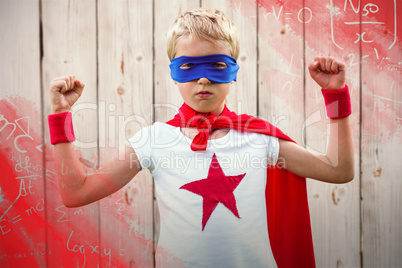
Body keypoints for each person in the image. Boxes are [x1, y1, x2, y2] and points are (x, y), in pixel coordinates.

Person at [48, 8, 354, 268]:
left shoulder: (261, 138)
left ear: (234, 71)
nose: (203, 78)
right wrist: (61, 117)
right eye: (189, 67)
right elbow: (77, 193)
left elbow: (337, 169)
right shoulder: (154, 140)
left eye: (217, 65)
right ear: (173, 72)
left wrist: (336, 96)